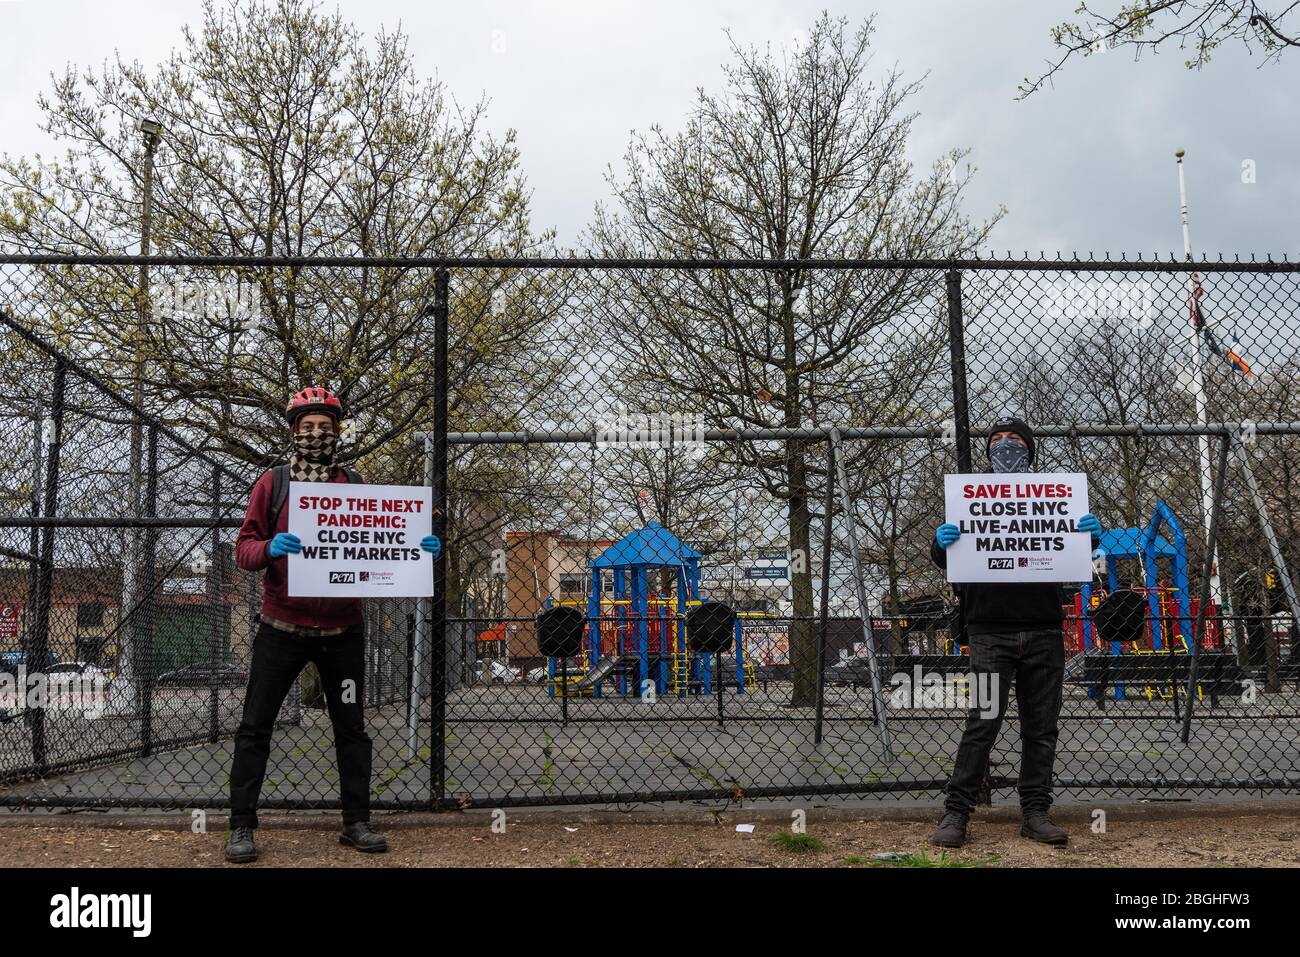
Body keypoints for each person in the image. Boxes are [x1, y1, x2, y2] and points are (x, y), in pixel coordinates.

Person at [224, 387, 442, 863]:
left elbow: (380, 540)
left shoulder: (354, 485)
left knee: (352, 728)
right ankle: (241, 827)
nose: (316, 434)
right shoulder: (273, 484)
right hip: (281, 629)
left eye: (325, 427)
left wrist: (416, 549)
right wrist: (269, 548)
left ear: (337, 432)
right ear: (294, 432)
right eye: (308, 427)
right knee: (255, 727)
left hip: (342, 633)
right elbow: (244, 550)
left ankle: (356, 822)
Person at [929, 416, 1102, 848]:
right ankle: (957, 812)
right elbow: (951, 561)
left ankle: (1036, 811)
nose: (1005, 446)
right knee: (982, 722)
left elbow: (1068, 555)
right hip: (989, 632)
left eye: (1015, 440)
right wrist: (941, 542)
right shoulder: (971, 499)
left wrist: (1089, 540)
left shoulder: (1053, 499)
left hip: (1043, 629)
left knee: (1041, 727)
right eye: (997, 440)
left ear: (1030, 449)